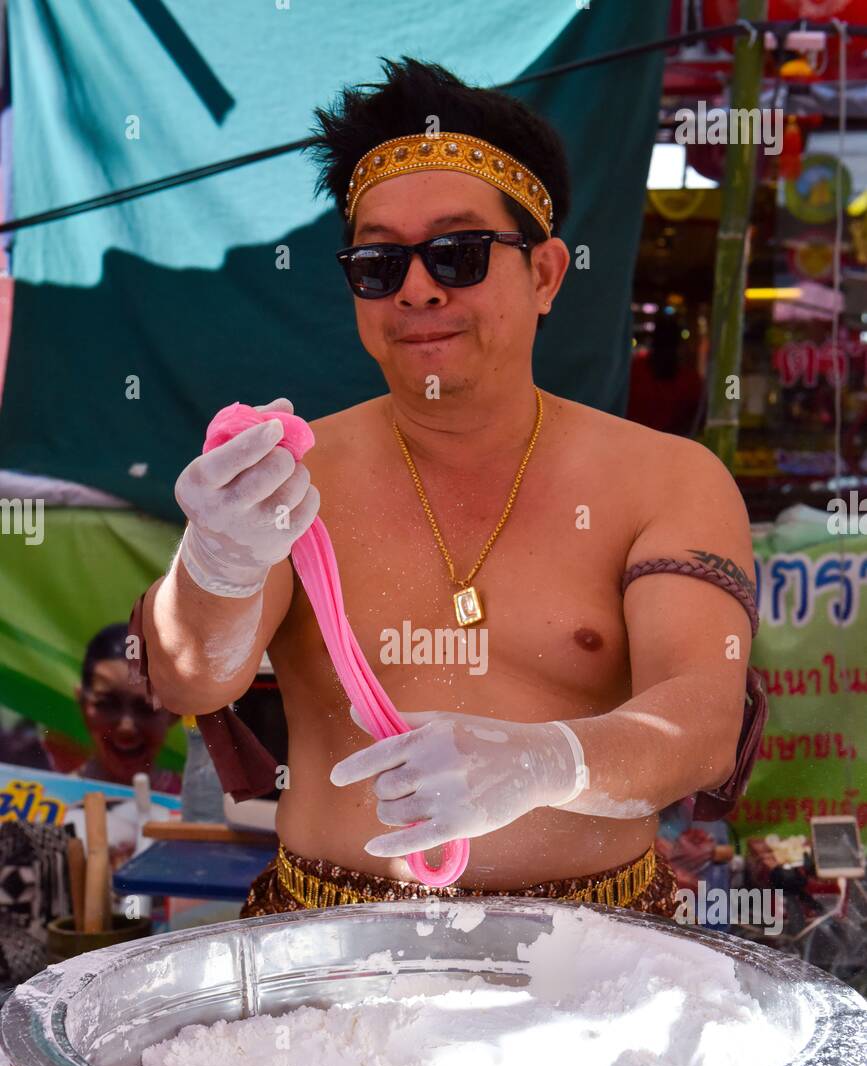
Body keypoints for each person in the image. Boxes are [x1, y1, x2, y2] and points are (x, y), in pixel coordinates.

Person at [137, 58, 763, 920]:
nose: (419, 288)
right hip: (326, 945)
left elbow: (699, 722)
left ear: (543, 273)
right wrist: (215, 566)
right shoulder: (293, 474)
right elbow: (188, 682)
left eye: (458, 253)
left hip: (592, 951)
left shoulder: (664, 478)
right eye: (378, 263)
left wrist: (550, 760)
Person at [75, 623, 180, 792]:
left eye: (146, 708)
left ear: (175, 713)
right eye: (107, 705)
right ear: (81, 700)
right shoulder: (40, 806)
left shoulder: (198, 811)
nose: (126, 727)